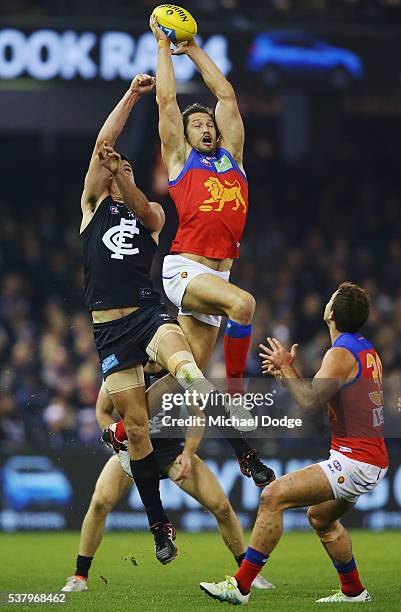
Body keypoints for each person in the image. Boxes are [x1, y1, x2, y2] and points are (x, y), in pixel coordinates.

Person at [80, 73, 260, 565]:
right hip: (109, 331)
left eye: (126, 168)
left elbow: (143, 205)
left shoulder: (151, 215)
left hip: (147, 315)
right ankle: (159, 526)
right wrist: (132, 97)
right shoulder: (92, 207)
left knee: (190, 375)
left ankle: (244, 451)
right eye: (114, 169)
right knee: (135, 428)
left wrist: (128, 179)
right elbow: (102, 145)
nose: (117, 169)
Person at [200, 282, 388, 604]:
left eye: (330, 299)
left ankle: (240, 587)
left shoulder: (340, 353)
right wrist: (287, 375)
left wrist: (288, 369)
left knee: (273, 496)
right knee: (320, 518)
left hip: (356, 460)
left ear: (330, 313)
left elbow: (310, 402)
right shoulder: (364, 348)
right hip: (369, 457)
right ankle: (354, 592)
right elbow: (326, 401)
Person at [61, 381, 275, 592]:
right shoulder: (121, 372)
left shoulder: (172, 370)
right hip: (133, 450)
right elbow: (102, 412)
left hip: (172, 451)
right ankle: (80, 576)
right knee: (100, 503)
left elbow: (197, 417)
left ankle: (249, 574)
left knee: (221, 507)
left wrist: (188, 453)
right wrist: (120, 448)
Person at [149, 16, 255, 397]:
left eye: (208, 123)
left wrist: (192, 49)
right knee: (244, 305)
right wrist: (163, 47)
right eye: (196, 125)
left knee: (186, 376)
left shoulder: (233, 159)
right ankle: (237, 394)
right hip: (184, 271)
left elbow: (226, 97)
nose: (206, 128)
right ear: (185, 135)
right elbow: (165, 101)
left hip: (217, 279)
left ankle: (123, 431)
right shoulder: (180, 161)